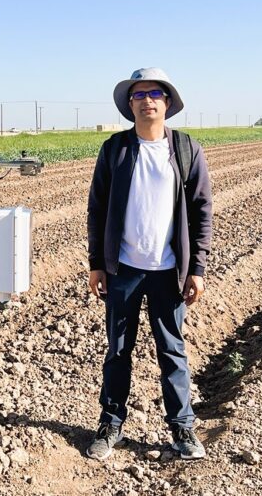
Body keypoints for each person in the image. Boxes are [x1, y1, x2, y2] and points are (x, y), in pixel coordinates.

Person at [85, 67, 213, 461]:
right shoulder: (115, 149)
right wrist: (97, 263)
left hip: (168, 271)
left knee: (172, 350)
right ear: (130, 104)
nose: (147, 101)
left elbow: (202, 211)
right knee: (117, 351)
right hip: (123, 269)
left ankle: (182, 428)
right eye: (138, 95)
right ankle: (110, 424)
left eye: (154, 93)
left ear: (167, 102)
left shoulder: (187, 150)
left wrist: (197, 268)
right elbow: (97, 208)